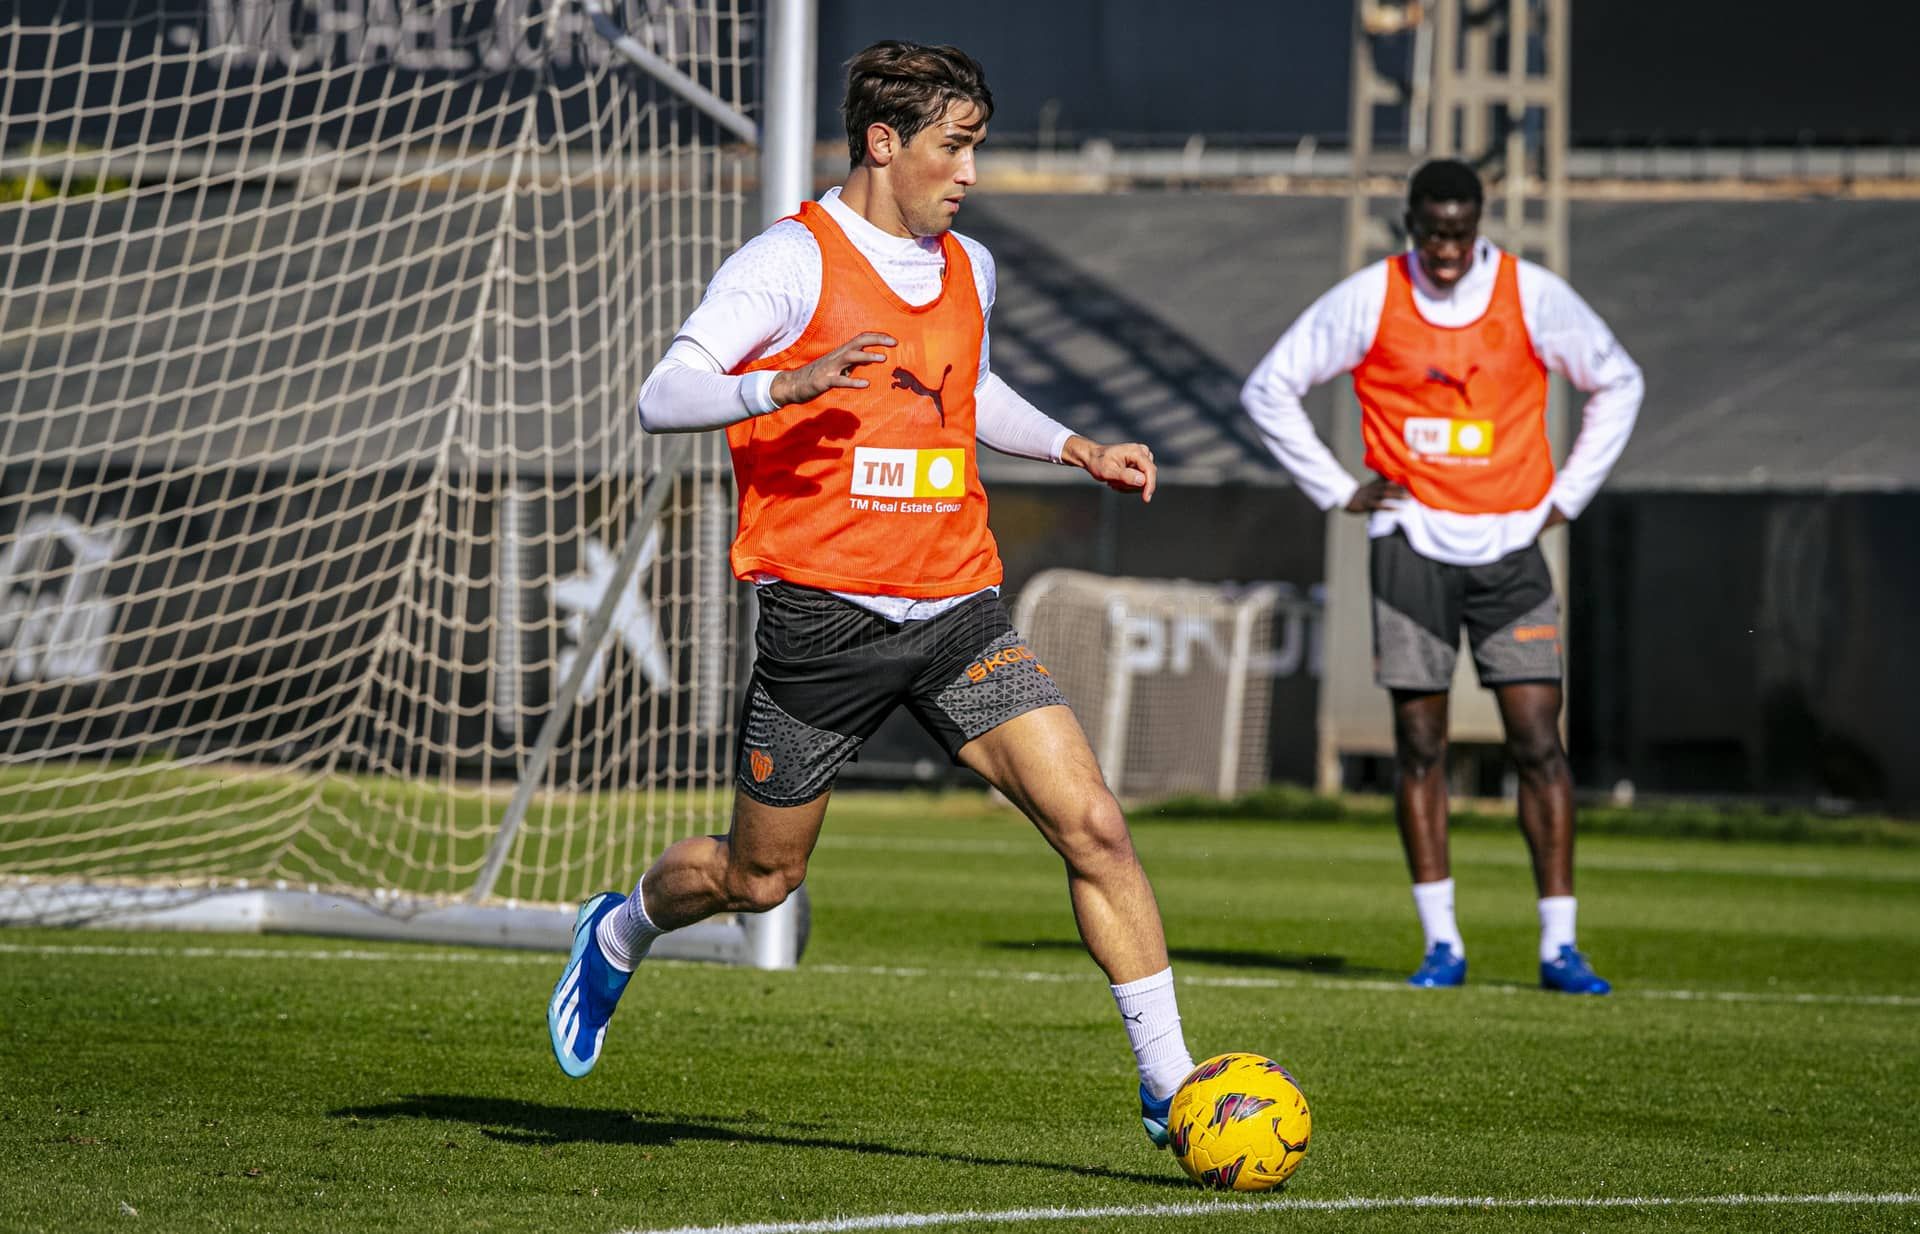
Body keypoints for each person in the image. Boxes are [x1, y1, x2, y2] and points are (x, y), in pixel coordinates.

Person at [547, 40, 1198, 1146]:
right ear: (883, 144)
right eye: (954, 148)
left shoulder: (970, 265)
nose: (971, 174)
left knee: (1094, 824)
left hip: (956, 610)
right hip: (824, 624)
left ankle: (1171, 1081)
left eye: (976, 149)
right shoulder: (789, 263)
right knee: (760, 880)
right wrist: (782, 381)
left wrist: (1075, 445)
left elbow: (967, 388)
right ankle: (621, 929)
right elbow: (665, 393)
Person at [1239, 159, 1644, 995]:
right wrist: (1340, 488)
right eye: (1433, 233)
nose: (1448, 249)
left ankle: (1559, 945)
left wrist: (1567, 495)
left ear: (1481, 223)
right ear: (1411, 224)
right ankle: (1442, 944)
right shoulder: (1370, 296)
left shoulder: (1530, 294)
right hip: (1410, 543)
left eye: (1461, 232)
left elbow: (1619, 381)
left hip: (1510, 549)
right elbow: (1268, 388)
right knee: (1420, 745)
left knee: (1538, 740)